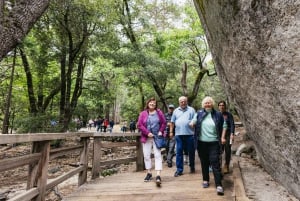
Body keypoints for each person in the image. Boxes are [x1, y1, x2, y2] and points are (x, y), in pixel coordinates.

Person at [190, 96, 227, 196]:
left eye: (209, 102)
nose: (207, 104)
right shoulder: (199, 113)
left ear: (212, 104)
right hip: (202, 143)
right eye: (206, 103)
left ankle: (219, 185)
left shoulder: (218, 114)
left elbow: (224, 126)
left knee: (215, 163)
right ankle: (205, 180)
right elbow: (193, 121)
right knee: (204, 162)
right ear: (203, 104)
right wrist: (192, 123)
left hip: (214, 143)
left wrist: (223, 137)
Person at [137, 97, 166, 186]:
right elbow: (139, 125)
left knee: (157, 155)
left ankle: (158, 175)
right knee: (146, 155)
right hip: (146, 137)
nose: (152, 104)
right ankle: (149, 173)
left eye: (154, 103)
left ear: (155, 105)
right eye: (150, 103)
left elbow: (164, 123)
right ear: (148, 104)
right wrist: (147, 132)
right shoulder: (143, 113)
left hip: (157, 137)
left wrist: (161, 131)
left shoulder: (159, 113)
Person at [170, 96, 196, 177]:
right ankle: (179, 170)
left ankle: (192, 166)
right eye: (181, 101)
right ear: (179, 102)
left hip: (190, 134)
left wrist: (193, 124)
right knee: (179, 152)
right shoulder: (176, 111)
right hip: (179, 135)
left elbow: (195, 120)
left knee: (191, 151)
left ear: (187, 101)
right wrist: (171, 132)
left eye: (184, 101)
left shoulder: (191, 110)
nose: (183, 103)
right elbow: (172, 122)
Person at [218, 100, 235, 174]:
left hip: (227, 135)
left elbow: (232, 125)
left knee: (227, 151)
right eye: (220, 105)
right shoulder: (216, 114)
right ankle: (218, 166)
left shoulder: (228, 115)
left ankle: (226, 165)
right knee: (219, 151)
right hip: (219, 135)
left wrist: (232, 134)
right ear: (218, 106)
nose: (222, 106)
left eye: (223, 105)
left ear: (225, 106)